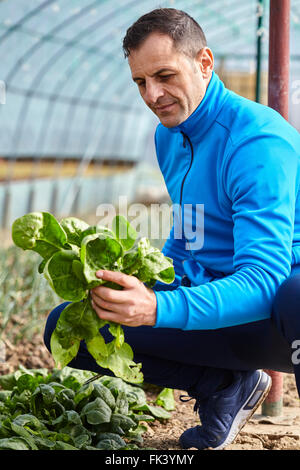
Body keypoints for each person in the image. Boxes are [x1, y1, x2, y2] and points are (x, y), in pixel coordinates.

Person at [44, 8, 300, 450]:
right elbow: (191, 234)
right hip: (220, 305)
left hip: (278, 319)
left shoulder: (256, 141)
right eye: (141, 82)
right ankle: (224, 386)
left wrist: (158, 311)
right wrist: (145, 285)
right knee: (71, 324)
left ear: (204, 63)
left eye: (164, 75)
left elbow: (264, 280)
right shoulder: (169, 135)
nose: (153, 94)